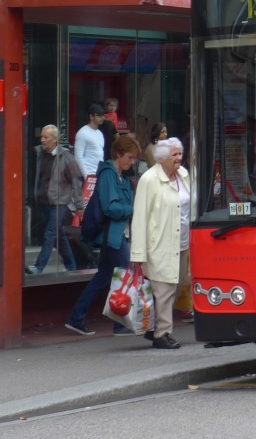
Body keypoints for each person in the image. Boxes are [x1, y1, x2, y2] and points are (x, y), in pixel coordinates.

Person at [65, 134, 140, 336]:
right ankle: (120, 323)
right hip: (113, 235)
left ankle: (76, 317)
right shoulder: (108, 174)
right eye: (129, 157)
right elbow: (111, 207)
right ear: (118, 154)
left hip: (113, 234)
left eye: (133, 159)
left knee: (103, 277)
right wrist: (131, 210)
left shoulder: (118, 176)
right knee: (125, 276)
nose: (131, 162)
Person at [130, 136, 190, 349]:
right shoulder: (149, 179)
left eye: (180, 153)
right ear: (162, 158)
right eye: (174, 155)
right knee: (163, 290)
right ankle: (162, 334)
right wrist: (138, 253)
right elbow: (140, 217)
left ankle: (155, 327)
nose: (179, 158)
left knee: (176, 285)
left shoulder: (183, 175)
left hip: (182, 243)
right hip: (159, 244)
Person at [27, 124, 85, 275]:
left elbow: (76, 182)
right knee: (59, 236)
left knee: (50, 234)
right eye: (42, 137)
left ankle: (39, 267)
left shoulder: (66, 158)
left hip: (59, 203)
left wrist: (80, 206)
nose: (42, 140)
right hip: (44, 202)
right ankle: (71, 265)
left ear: (55, 139)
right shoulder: (39, 154)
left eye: (46, 137)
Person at [74, 103, 107, 178]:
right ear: (91, 116)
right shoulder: (82, 133)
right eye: (99, 115)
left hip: (98, 174)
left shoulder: (100, 133)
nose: (103, 118)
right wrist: (86, 176)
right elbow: (78, 157)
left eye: (103, 115)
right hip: (87, 175)